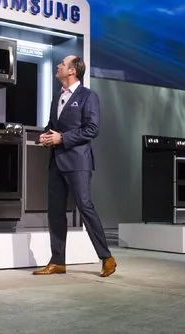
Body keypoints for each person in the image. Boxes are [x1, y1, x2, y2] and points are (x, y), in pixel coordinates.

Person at [33, 55, 116, 277]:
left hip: (78, 160)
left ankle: (106, 258)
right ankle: (57, 261)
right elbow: (53, 126)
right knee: (55, 212)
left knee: (85, 206)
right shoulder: (57, 97)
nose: (58, 66)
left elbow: (92, 129)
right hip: (56, 161)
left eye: (62, 64)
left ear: (72, 71)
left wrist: (63, 139)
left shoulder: (89, 96)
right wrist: (46, 136)